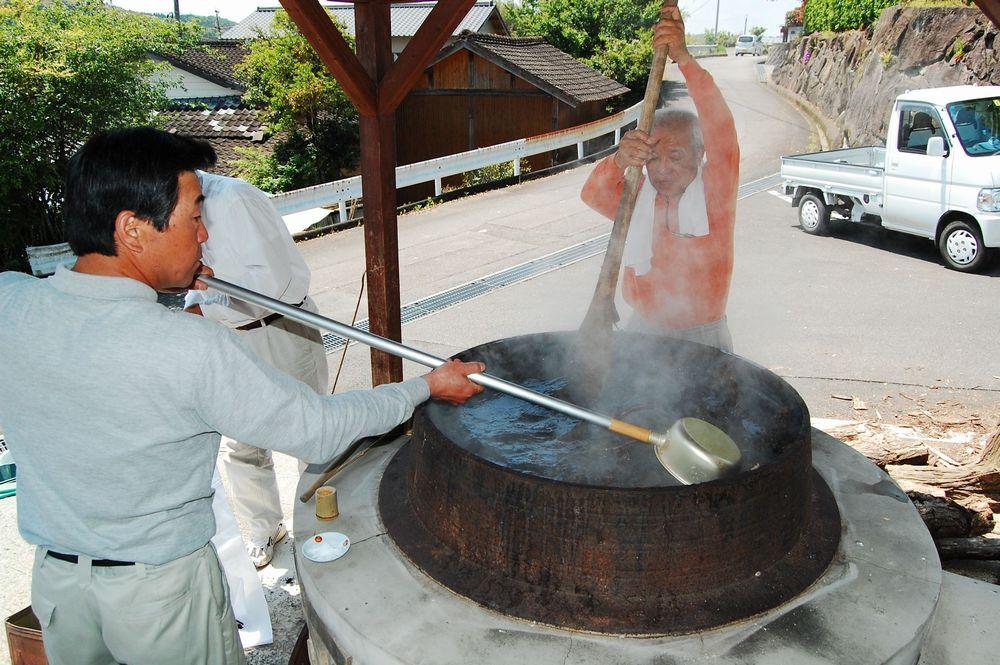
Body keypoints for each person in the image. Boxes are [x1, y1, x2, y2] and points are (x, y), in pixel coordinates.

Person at [0, 127, 483, 665]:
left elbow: (96, 343)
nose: (204, 236)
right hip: (160, 598)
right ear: (132, 229)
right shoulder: (188, 346)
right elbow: (318, 427)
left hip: (59, 587)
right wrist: (425, 386)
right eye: (194, 217)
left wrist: (162, 289)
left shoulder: (10, 302)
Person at [185, 171, 328, 569]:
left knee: (309, 430)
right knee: (241, 442)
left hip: (279, 329)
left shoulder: (233, 200)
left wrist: (204, 302)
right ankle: (264, 527)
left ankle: (320, 520)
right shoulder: (175, 205)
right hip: (228, 337)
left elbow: (273, 285)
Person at [581, 5, 739, 351]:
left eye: (676, 156)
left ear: (700, 156)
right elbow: (592, 194)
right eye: (653, 156)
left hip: (706, 335)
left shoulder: (716, 191)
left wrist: (683, 58)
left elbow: (721, 127)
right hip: (644, 328)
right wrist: (622, 158)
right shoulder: (639, 193)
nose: (662, 168)